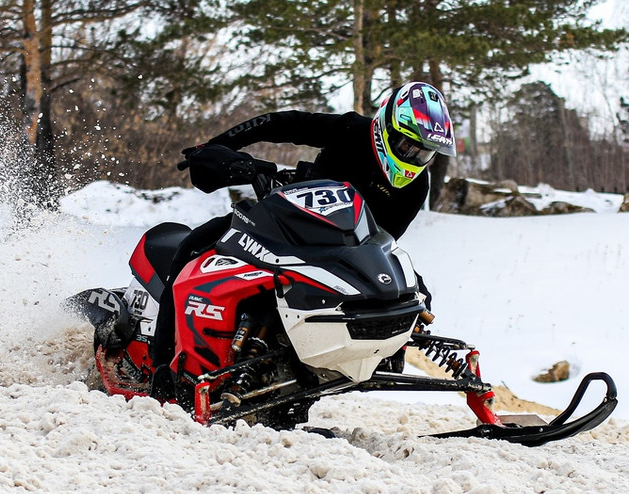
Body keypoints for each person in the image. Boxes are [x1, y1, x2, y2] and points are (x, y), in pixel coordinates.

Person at [150, 81, 457, 400]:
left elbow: (383, 240)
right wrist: (218, 146)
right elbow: (280, 123)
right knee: (193, 246)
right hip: (283, 220)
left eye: (425, 152)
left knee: (403, 292)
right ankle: (162, 370)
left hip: (341, 252)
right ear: (384, 127)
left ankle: (308, 377)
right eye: (408, 146)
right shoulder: (352, 130)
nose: (415, 157)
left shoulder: (416, 188)